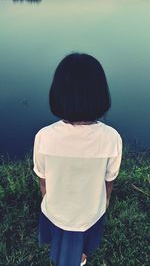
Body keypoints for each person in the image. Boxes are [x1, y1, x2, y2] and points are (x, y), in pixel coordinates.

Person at [33, 52, 123, 266]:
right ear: (101, 94)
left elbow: (43, 180)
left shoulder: (44, 136)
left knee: (62, 241)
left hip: (56, 209)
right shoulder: (111, 138)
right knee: (81, 241)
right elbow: (109, 181)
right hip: (92, 211)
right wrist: (105, 201)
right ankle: (81, 257)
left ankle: (70, 257)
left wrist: (48, 200)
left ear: (57, 94)